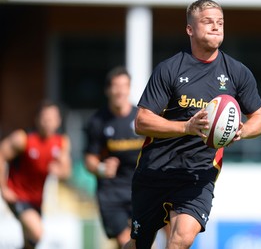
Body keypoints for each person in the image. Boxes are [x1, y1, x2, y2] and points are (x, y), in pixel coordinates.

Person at [123, 0, 261, 249]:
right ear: (190, 29)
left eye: (220, 22)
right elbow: (142, 121)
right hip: (156, 170)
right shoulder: (169, 69)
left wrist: (242, 131)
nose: (216, 27)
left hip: (198, 174)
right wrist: (186, 127)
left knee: (180, 239)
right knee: (139, 245)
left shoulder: (237, 72)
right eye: (208, 22)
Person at [84, 66, 169, 248]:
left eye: (125, 86)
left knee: (150, 239)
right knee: (127, 241)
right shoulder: (97, 122)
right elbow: (89, 160)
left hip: (141, 189)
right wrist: (101, 168)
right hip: (111, 194)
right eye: (116, 86)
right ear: (108, 90)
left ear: (129, 88)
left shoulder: (141, 119)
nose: (120, 90)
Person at [0, 100, 71, 249]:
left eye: (51, 119)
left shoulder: (61, 142)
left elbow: (66, 172)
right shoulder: (22, 138)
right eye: (45, 118)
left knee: (31, 243)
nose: (48, 122)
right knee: (37, 232)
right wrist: (4, 188)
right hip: (17, 195)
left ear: (58, 121)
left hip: (37, 200)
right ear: (37, 119)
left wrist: (59, 171)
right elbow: (1, 154)